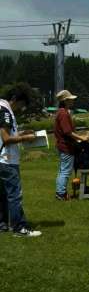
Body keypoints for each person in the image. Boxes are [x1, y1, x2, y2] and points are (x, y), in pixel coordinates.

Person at [0, 83, 41, 237]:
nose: (21, 108)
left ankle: (2, 224)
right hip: (7, 159)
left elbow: (7, 133)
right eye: (22, 104)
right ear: (15, 99)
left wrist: (22, 132)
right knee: (15, 194)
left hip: (2, 159)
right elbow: (6, 138)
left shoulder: (2, 109)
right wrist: (25, 138)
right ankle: (19, 227)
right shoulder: (5, 112)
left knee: (3, 194)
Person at [54, 89, 88, 200]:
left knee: (63, 170)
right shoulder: (63, 113)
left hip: (63, 145)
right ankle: (61, 193)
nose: (72, 101)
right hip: (66, 146)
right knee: (65, 171)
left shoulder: (61, 112)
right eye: (70, 99)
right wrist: (82, 138)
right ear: (65, 101)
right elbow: (67, 132)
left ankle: (60, 192)